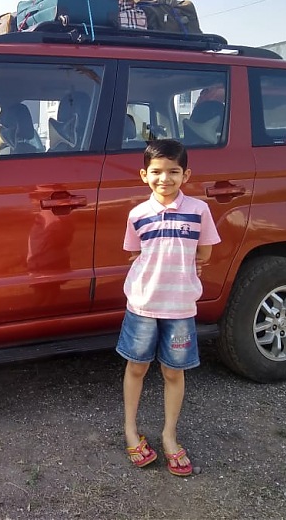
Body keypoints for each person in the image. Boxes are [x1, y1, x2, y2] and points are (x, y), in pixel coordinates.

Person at [116, 139, 221, 476]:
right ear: (144, 175)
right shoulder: (137, 214)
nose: (165, 178)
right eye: (157, 172)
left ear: (185, 174)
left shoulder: (200, 210)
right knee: (136, 368)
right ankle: (131, 431)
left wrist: (187, 263)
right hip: (143, 304)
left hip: (180, 307)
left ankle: (168, 435)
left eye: (173, 171)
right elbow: (136, 254)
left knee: (174, 372)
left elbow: (204, 253)